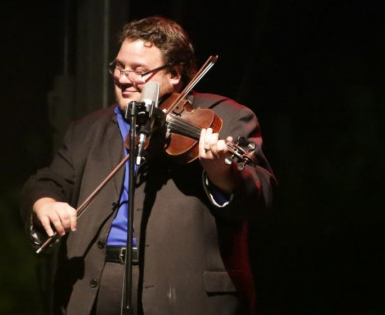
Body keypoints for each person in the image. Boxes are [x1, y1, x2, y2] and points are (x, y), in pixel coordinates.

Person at [21, 16, 275, 315]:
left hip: (183, 293)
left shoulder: (227, 117)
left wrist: (223, 175)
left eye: (140, 71)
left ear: (175, 75)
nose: (124, 78)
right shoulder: (87, 129)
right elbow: (48, 180)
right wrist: (45, 203)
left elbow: (263, 193)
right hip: (95, 291)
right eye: (119, 67)